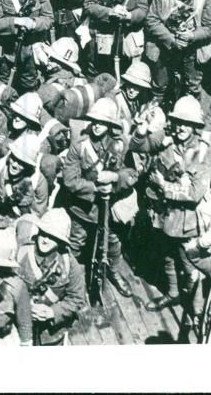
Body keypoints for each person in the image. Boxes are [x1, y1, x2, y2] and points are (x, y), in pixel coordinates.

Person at [142, 95, 211, 319]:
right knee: (168, 257)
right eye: (179, 122)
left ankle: (196, 313)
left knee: (190, 266)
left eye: (188, 123)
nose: (182, 127)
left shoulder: (204, 153)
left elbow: (194, 194)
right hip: (166, 216)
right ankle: (173, 293)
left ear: (195, 126)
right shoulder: (168, 146)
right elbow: (151, 168)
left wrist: (164, 186)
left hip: (189, 221)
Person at [61, 96, 137, 298]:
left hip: (110, 208)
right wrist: (95, 188)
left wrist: (115, 177)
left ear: (110, 124)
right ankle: (70, 281)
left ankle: (113, 272)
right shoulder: (80, 145)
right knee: (76, 244)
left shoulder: (119, 145)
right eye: (94, 121)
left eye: (102, 122)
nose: (97, 126)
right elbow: (70, 181)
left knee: (113, 244)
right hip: (84, 209)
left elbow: (133, 174)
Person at [17, 208, 85, 345]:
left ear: (61, 242)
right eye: (44, 233)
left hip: (50, 332)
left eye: (53, 237)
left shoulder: (70, 265)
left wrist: (52, 312)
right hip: (20, 324)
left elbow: (76, 299)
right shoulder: (22, 251)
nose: (46, 240)